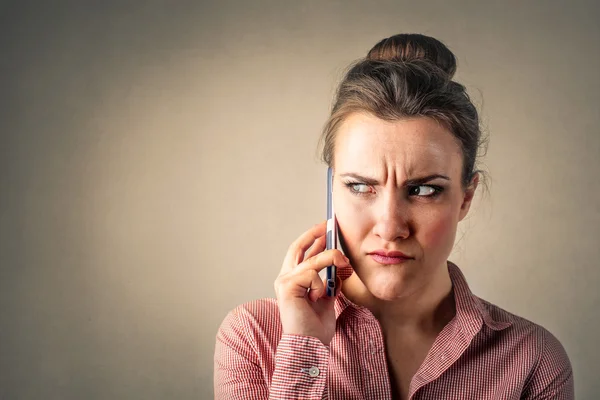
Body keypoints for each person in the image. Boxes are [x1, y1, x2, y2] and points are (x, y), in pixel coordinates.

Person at [213, 33, 574, 399]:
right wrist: (304, 350)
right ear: (331, 190)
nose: (389, 227)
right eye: (360, 186)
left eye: (423, 190)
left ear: (465, 198)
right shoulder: (254, 338)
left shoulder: (532, 361)